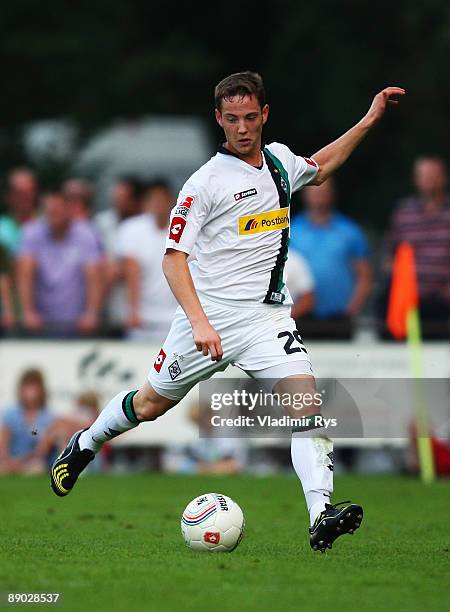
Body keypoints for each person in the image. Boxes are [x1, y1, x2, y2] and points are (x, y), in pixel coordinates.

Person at [50, 72, 405, 552]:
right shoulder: (205, 183)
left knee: (307, 404)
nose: (242, 127)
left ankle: (321, 514)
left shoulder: (279, 162)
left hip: (267, 319)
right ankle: (86, 442)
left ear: (265, 115)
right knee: (151, 405)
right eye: (232, 119)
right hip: (210, 318)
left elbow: (320, 167)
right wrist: (199, 321)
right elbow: (173, 259)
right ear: (219, 119)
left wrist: (369, 119)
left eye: (250, 117)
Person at [17, 191, 103, 337]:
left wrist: (91, 313)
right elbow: (25, 274)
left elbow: (94, 276)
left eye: (57, 210)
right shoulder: (31, 233)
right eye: (49, 211)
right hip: (41, 323)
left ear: (68, 210)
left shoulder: (86, 234)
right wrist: (28, 311)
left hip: (78, 324)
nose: (53, 215)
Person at [290, 178, 372, 321]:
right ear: (304, 194)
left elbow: (364, 276)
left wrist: (351, 311)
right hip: (299, 315)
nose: (319, 194)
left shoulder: (349, 231)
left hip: (340, 317)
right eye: (315, 189)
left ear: (332, 194)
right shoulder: (291, 230)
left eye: (323, 190)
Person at [382, 156, 450, 324]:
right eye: (425, 175)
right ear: (416, 180)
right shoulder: (403, 212)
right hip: (408, 303)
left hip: (444, 301)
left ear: (445, 178)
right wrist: (401, 288)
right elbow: (388, 258)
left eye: (434, 175)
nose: (429, 180)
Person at [116, 179, 178, 342]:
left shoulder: (186, 228)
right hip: (142, 321)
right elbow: (131, 272)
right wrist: (133, 312)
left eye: (162, 200)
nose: (158, 204)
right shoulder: (131, 229)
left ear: (170, 201)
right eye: (154, 200)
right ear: (146, 202)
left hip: (177, 319)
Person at [94, 176, 144, 333]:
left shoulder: (147, 226)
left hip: (141, 310)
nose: (118, 203)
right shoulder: (102, 223)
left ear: (136, 201)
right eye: (116, 198)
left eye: (123, 199)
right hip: (109, 306)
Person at [0, 369, 53, 473]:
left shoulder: (48, 417)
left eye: (34, 387)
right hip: (9, 461)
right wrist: (9, 460)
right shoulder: (9, 414)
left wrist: (21, 462)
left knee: (37, 468)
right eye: (27, 386)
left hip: (33, 462)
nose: (30, 392)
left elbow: (42, 450)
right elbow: (3, 443)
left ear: (41, 390)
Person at [0, 168, 38, 255]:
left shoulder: (49, 225)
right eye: (19, 193)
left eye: (29, 192)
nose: (25, 197)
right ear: (7, 196)